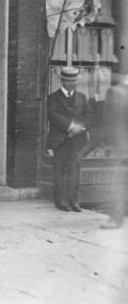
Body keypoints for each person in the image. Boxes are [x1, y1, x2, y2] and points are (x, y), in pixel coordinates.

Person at [46, 66, 92, 212]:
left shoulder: (82, 97)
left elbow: (90, 116)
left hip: (77, 141)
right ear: (62, 81)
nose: (72, 84)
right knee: (59, 171)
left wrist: (81, 127)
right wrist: (70, 126)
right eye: (69, 81)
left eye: (74, 81)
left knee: (74, 171)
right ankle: (61, 201)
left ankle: (74, 201)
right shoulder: (53, 98)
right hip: (60, 141)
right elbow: (53, 116)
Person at [99, 72, 128, 229]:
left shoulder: (115, 92)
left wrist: (109, 142)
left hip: (122, 146)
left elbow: (108, 121)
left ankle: (116, 217)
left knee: (118, 183)